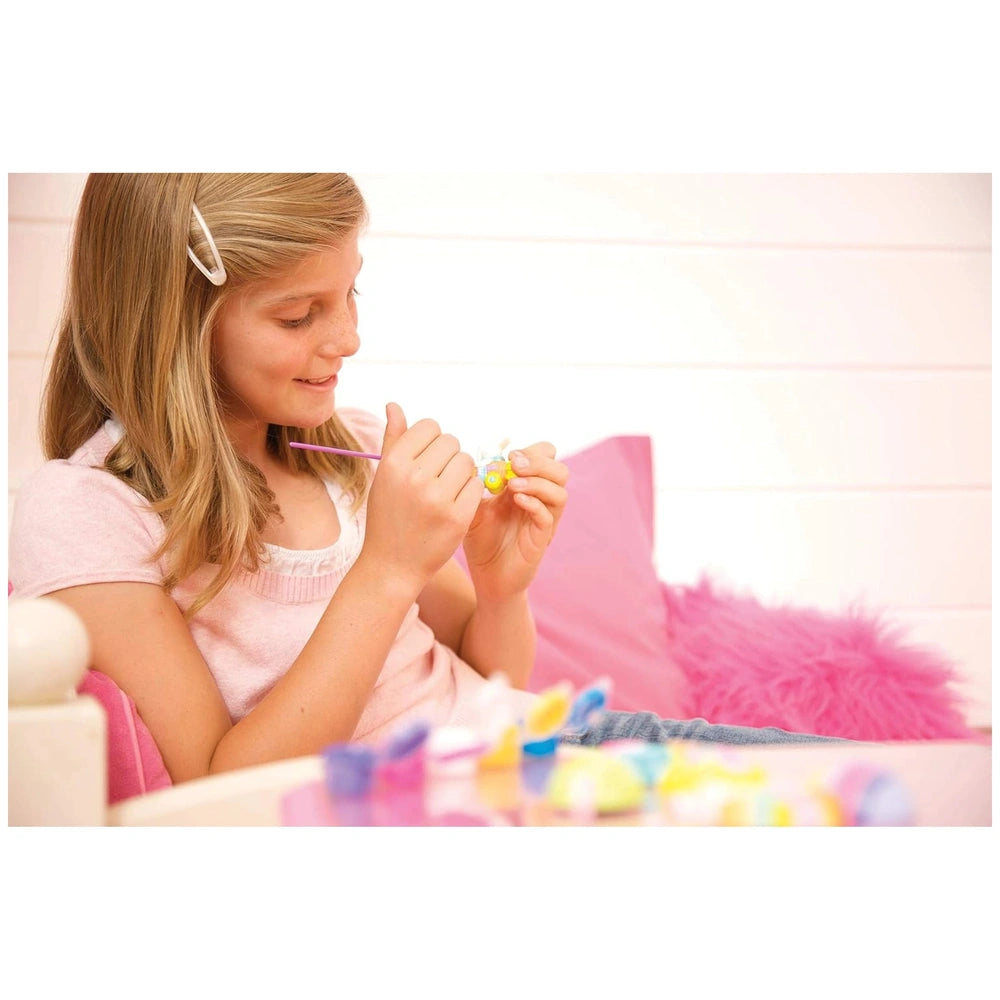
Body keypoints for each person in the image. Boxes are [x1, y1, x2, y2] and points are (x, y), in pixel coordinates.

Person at [8, 173, 835, 789]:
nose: (350, 337)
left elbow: (496, 678)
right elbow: (220, 790)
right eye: (301, 316)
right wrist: (386, 570)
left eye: (351, 293)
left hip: (550, 752)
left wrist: (501, 587)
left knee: (884, 785)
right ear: (171, 324)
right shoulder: (89, 512)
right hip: (422, 807)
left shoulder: (351, 448)